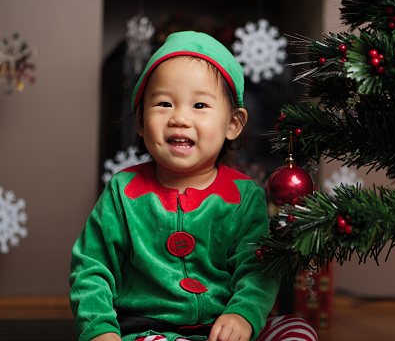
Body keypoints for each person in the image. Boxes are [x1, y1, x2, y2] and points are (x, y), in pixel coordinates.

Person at [70, 31, 318, 341]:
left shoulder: (245, 197)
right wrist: (100, 330)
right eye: (163, 103)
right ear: (141, 122)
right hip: (148, 330)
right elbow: (91, 268)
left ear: (232, 124)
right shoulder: (123, 192)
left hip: (222, 329)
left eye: (199, 105)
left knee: (298, 330)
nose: (179, 118)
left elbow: (256, 269)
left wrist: (242, 314)